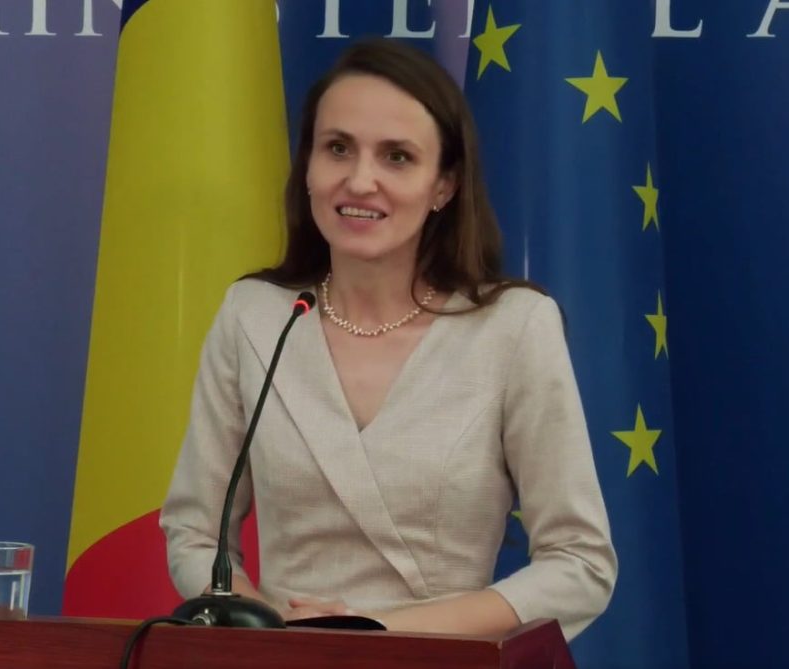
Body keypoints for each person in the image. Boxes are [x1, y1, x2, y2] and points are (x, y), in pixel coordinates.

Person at [160, 39, 616, 640]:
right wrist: (271, 635)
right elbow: (193, 533)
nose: (359, 180)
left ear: (444, 185)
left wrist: (371, 633)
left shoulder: (514, 326)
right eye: (338, 148)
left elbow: (581, 566)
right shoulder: (255, 316)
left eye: (397, 157)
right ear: (308, 167)